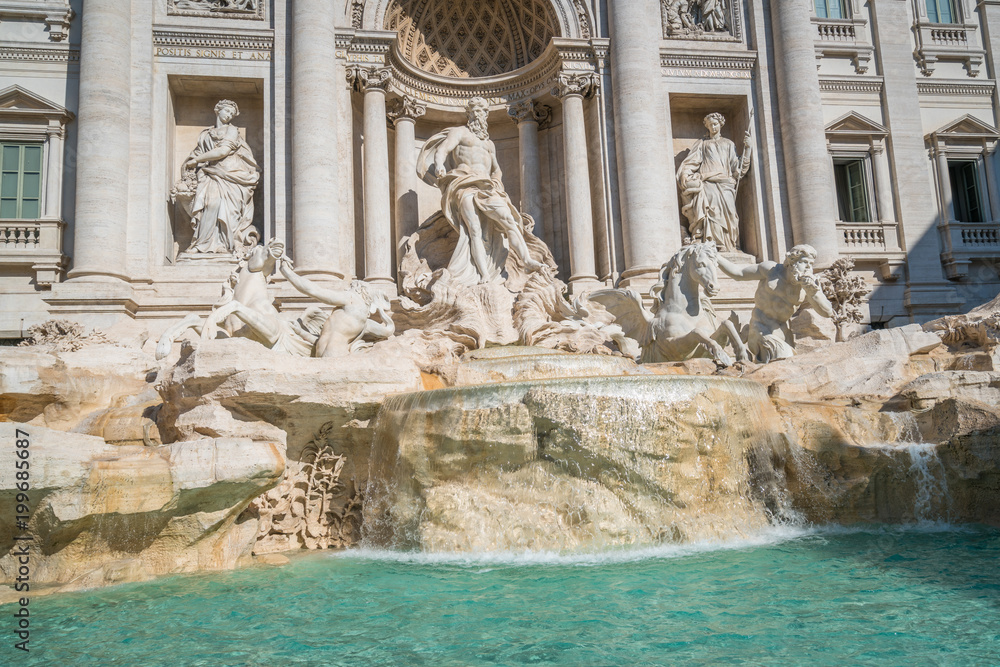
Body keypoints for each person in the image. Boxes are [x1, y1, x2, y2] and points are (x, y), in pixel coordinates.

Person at [417, 97, 543, 286]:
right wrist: (440, 166)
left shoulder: (489, 144)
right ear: (469, 115)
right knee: (473, 230)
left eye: (482, 112)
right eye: (475, 111)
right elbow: (442, 150)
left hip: (487, 187)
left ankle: (526, 260)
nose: (479, 115)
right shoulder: (459, 132)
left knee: (509, 220)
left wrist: (497, 182)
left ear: (486, 115)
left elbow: (497, 169)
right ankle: (484, 275)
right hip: (464, 183)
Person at [716, 245, 834, 363]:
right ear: (790, 262)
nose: (808, 268)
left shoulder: (808, 285)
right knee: (784, 356)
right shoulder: (771, 270)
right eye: (804, 262)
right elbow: (739, 273)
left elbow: (828, 312)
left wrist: (813, 293)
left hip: (784, 332)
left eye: (811, 264)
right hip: (760, 327)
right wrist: (716, 257)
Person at [178, 99, 260, 255]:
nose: (228, 115)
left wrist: (197, 160)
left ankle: (226, 245)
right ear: (218, 110)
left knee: (229, 211)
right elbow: (198, 152)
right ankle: (202, 244)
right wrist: (190, 162)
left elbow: (222, 151)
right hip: (211, 173)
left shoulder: (232, 131)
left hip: (232, 174)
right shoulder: (205, 134)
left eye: (232, 113)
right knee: (211, 204)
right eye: (226, 111)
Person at [278, 255, 395, 358]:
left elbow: (314, 290)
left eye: (350, 287)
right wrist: (300, 332)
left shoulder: (352, 299)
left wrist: (287, 272)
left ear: (358, 290)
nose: (346, 289)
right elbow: (388, 330)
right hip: (333, 356)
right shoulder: (364, 322)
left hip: (332, 356)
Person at [677, 112, 751, 252]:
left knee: (730, 215)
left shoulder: (728, 144)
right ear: (707, 126)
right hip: (707, 183)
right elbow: (692, 162)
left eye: (715, 124)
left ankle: (730, 245)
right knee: (712, 213)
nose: (713, 127)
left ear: (721, 124)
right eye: (710, 125)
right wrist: (685, 175)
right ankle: (715, 245)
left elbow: (738, 169)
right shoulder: (702, 144)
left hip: (725, 184)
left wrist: (748, 149)